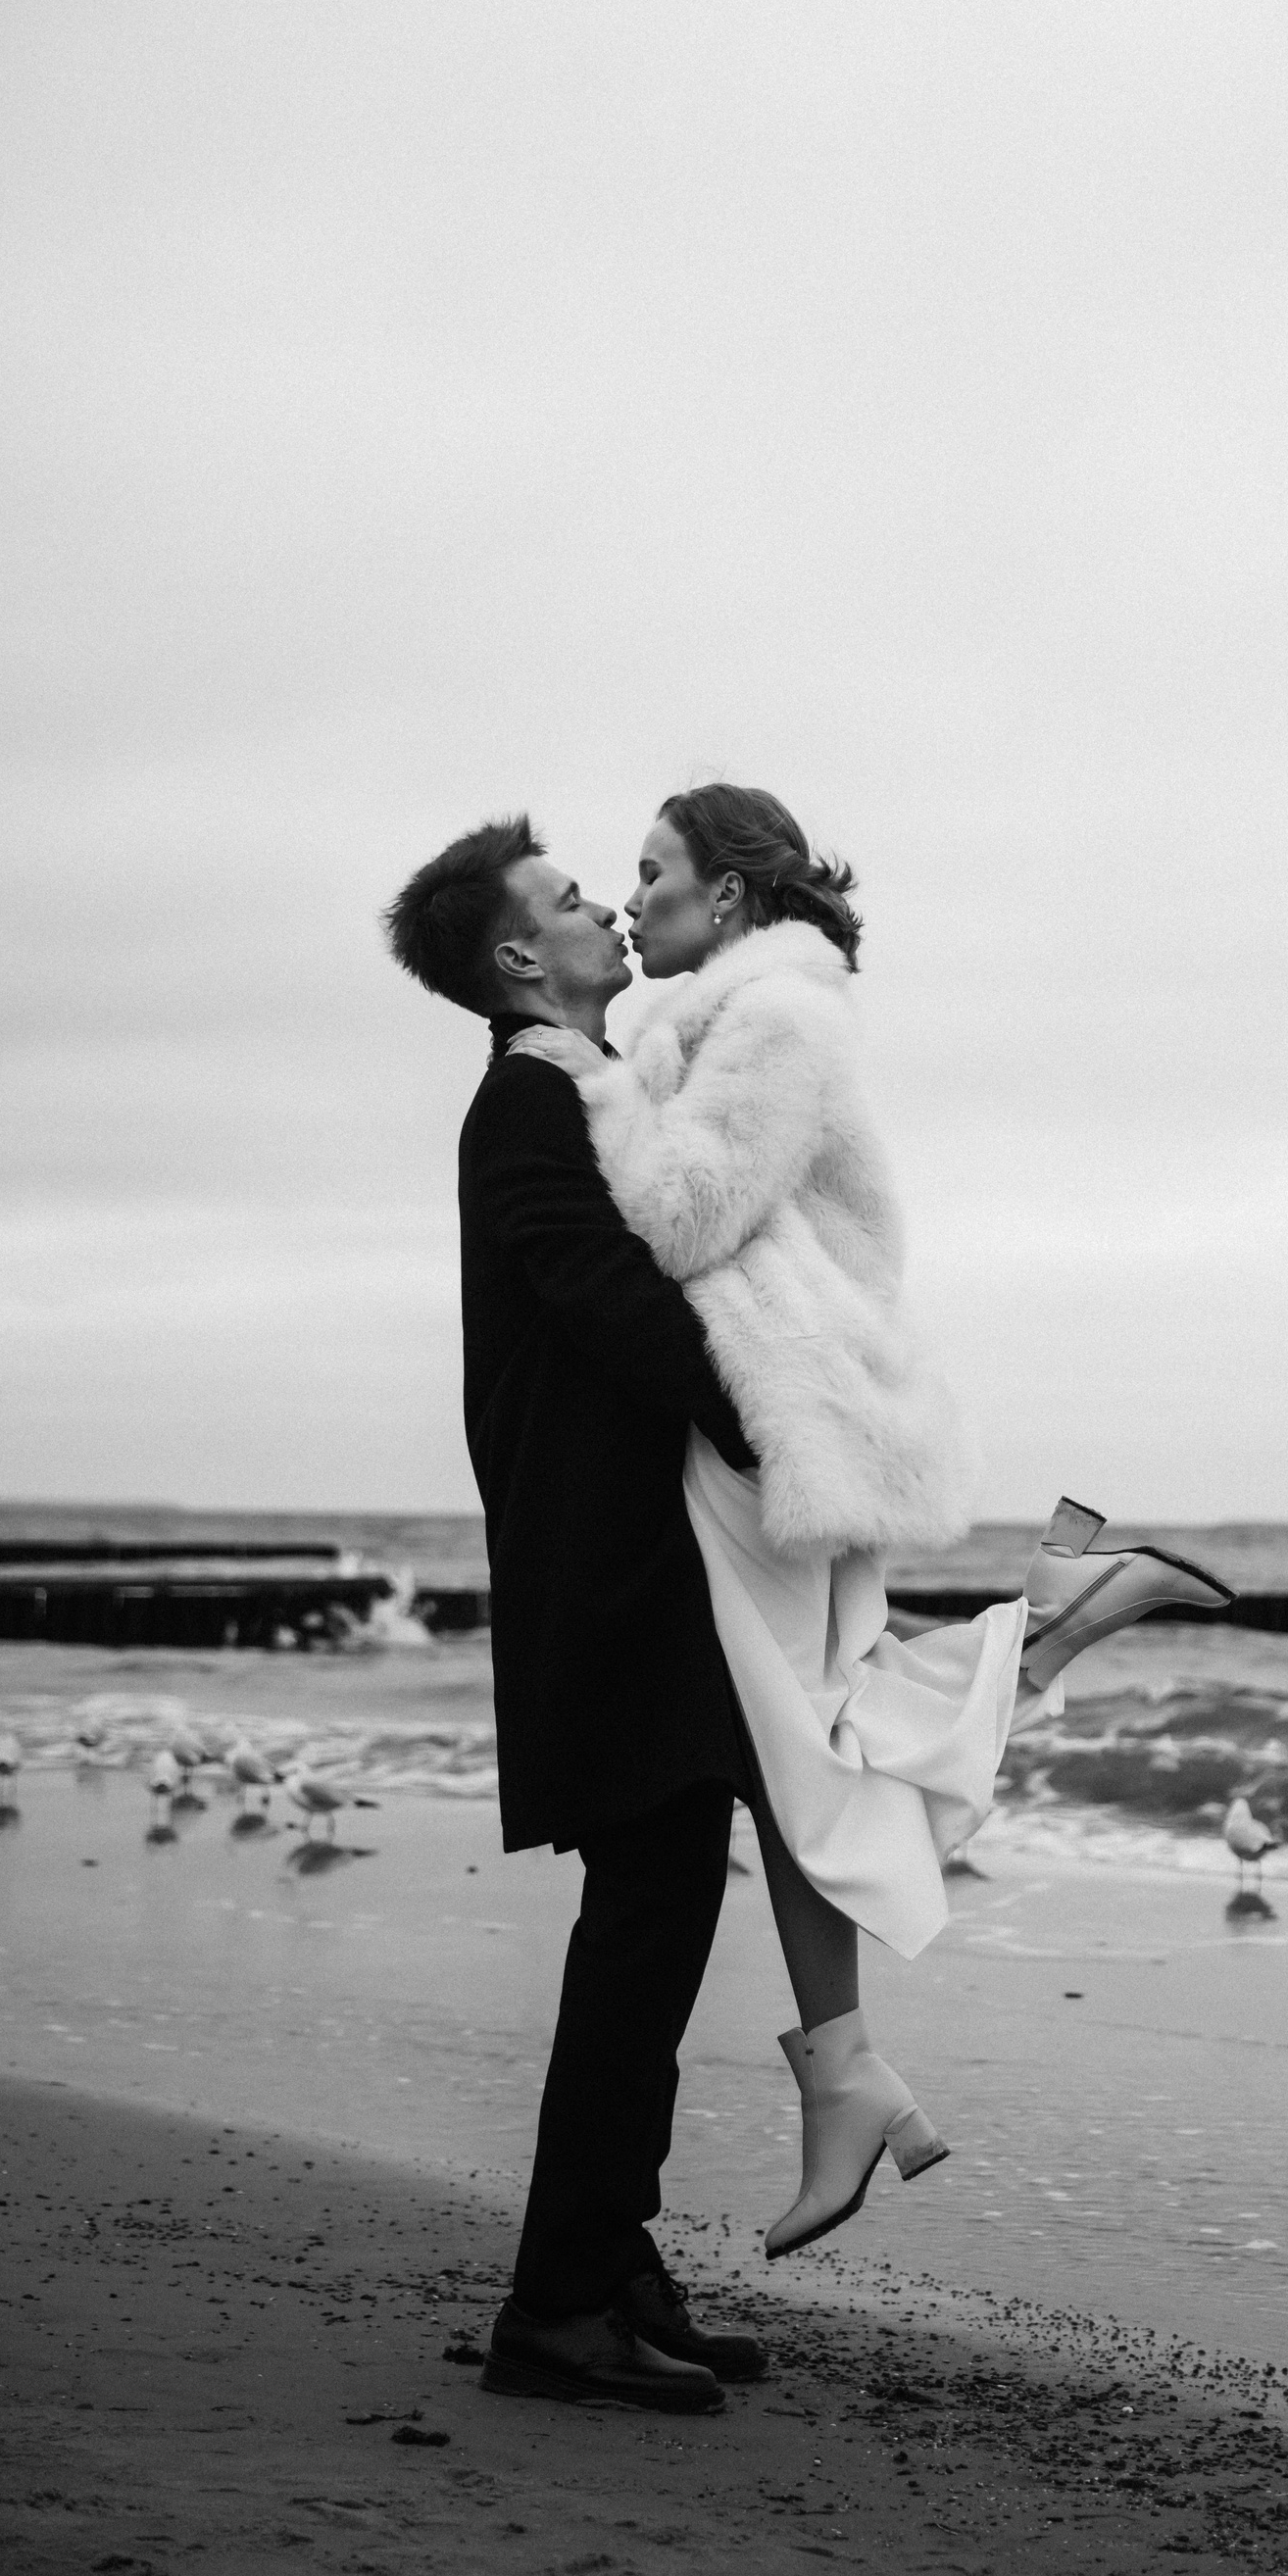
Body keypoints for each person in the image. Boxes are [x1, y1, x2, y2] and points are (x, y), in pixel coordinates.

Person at [509, 783, 1232, 2260]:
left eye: (652, 871)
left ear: (727, 893)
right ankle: (843, 2073)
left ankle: (1042, 1634)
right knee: (800, 1740)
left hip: (789, 1422)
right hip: (785, 1423)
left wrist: (584, 1079)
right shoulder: (726, 1020)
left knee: (801, 1739)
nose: (631, 900)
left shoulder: (778, 1021)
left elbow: (685, 1214)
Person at [383, 815, 771, 2417]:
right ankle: (556, 2305)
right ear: (514, 955)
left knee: (659, 1910)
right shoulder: (529, 1098)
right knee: (645, 1923)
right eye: (566, 900)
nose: (605, 907)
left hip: (631, 1559)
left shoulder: (586, 1083)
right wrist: (768, 1414)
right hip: (602, 1569)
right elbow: (608, 1301)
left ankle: (610, 2264)